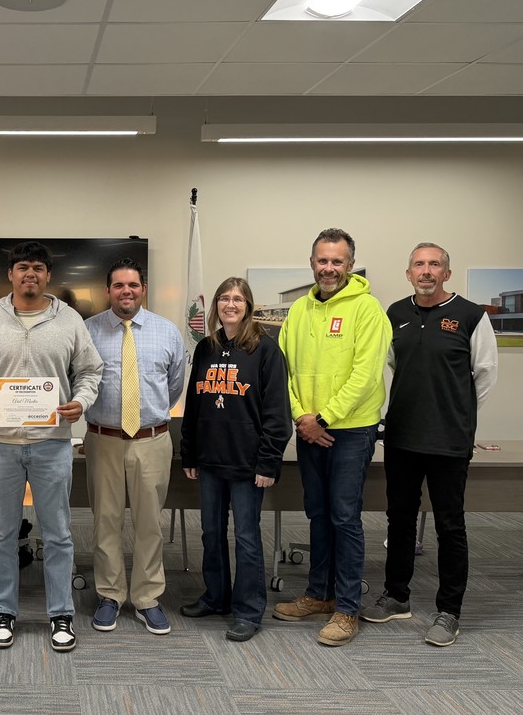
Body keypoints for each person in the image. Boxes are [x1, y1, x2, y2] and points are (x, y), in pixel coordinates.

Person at [0, 241, 103, 653]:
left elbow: (91, 371)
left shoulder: (70, 320)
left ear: (48, 275)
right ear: (11, 274)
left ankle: (61, 615)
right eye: (23, 267)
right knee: (2, 533)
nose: (30, 274)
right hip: (0, 444)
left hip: (53, 444)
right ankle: (4, 611)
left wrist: (82, 401)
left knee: (58, 534)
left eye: (38, 267)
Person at [361, 243, 497, 646]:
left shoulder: (471, 316)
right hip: (402, 436)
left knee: (450, 526)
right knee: (399, 520)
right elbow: (389, 366)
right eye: (419, 264)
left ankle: (448, 611)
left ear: (446, 274)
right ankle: (396, 596)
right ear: (408, 273)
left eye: (434, 264)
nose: (426, 271)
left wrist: (458, 416)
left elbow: (484, 376)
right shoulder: (395, 314)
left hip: (449, 441)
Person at [274, 228, 391, 646]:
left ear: (349, 265)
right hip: (308, 428)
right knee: (318, 514)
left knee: (344, 516)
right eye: (322, 261)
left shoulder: (368, 309)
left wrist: (324, 416)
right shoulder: (300, 312)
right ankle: (318, 594)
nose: (328, 268)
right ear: (312, 263)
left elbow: (365, 373)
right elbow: (282, 370)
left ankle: (346, 608)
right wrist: (303, 417)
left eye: (337, 261)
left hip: (351, 430)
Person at [180, 277, 291, 642]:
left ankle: (248, 610)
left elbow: (277, 412)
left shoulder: (265, 349)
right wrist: (189, 452)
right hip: (210, 460)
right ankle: (216, 597)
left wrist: (268, 462)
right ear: (216, 306)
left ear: (248, 305)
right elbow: (193, 405)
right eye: (224, 299)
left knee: (246, 537)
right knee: (211, 533)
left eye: (238, 299)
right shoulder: (206, 348)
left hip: (247, 464)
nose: (230, 304)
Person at [83, 258, 185, 635]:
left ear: (143, 289)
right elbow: (77, 381)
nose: (127, 291)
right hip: (103, 439)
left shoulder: (167, 332)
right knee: (105, 521)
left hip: (152, 440)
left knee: (149, 524)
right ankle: (110, 595)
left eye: (134, 285)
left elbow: (174, 387)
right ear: (108, 290)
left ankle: (147, 598)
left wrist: (147, 418)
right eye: (119, 285)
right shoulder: (87, 331)